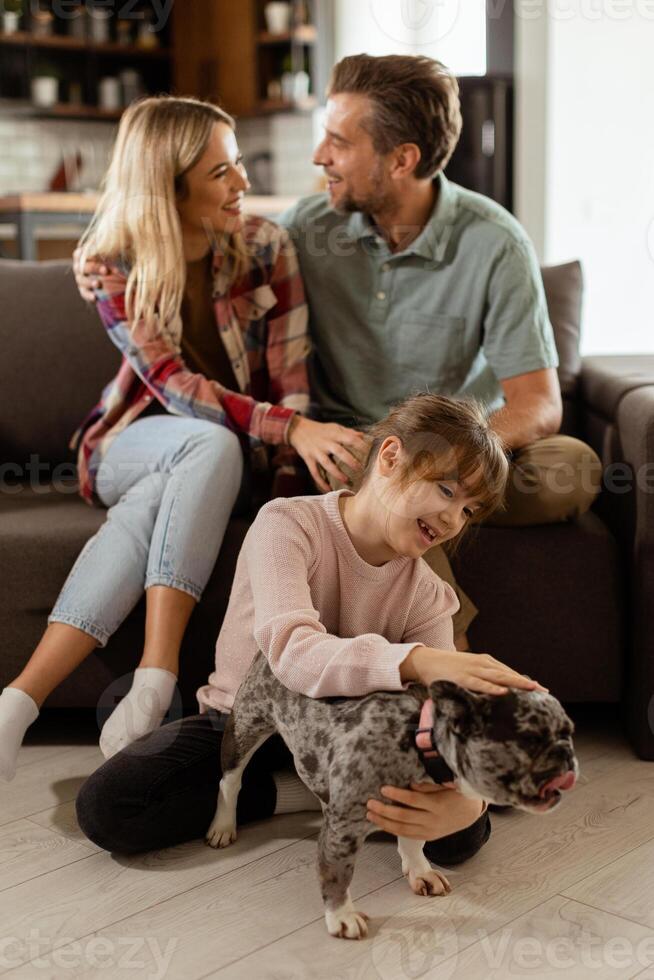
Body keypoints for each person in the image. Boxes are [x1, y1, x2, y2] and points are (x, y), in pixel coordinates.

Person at [74, 55, 602, 649]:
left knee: (572, 471)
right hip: (355, 448)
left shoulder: (494, 242)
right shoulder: (303, 229)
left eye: (338, 141)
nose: (318, 155)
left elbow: (537, 403)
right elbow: (188, 234)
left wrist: (450, 465)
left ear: (402, 159)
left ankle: (427, 512)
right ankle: (442, 667)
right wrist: (103, 260)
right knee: (392, 485)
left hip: (470, 445)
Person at [0, 95, 369, 783]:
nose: (243, 184)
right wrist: (294, 429)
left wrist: (285, 501)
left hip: (217, 466)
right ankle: (157, 671)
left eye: (237, 166)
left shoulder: (267, 247)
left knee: (161, 500)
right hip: (126, 445)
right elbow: (174, 389)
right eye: (222, 172)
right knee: (207, 444)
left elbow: (289, 378)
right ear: (170, 186)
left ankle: (18, 701)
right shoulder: (113, 261)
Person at [74, 393, 547, 862]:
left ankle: (323, 788)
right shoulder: (287, 525)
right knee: (108, 808)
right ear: (389, 457)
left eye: (467, 510)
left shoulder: (427, 594)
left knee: (462, 836)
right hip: (241, 723)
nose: (451, 519)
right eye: (446, 490)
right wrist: (417, 661)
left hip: (348, 740)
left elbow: (441, 720)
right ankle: (293, 793)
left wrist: (471, 801)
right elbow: (293, 654)